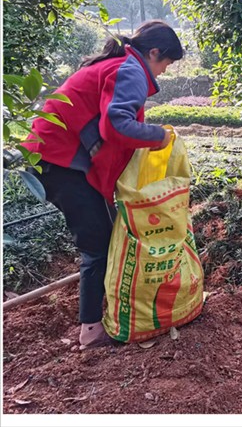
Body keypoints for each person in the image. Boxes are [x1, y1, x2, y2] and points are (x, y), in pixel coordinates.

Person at [22, 20, 184, 346]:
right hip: (60, 160)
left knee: (108, 233)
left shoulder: (121, 66)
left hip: (59, 157)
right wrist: (159, 135)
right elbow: (117, 126)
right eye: (166, 62)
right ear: (153, 53)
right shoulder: (131, 70)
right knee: (97, 242)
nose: (165, 71)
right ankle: (92, 331)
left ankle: (107, 310)